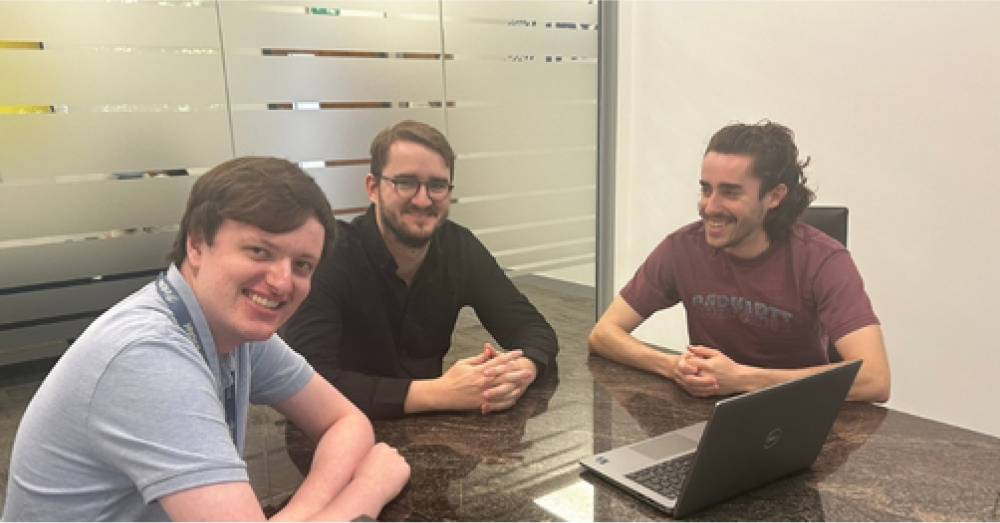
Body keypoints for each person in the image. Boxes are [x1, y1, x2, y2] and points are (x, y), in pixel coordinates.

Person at [2, 157, 409, 522]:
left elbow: (345, 421)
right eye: (259, 251)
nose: (283, 281)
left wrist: (302, 510)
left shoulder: (237, 329)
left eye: (302, 264)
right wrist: (367, 490)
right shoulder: (147, 356)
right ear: (196, 244)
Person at [588, 121, 890, 403]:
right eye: (706, 189)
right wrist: (673, 366)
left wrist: (743, 380)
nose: (710, 206)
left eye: (730, 193)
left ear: (774, 196)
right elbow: (604, 334)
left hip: (797, 413)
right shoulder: (681, 249)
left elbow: (874, 380)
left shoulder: (823, 260)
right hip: (709, 410)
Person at [282, 120, 559, 420]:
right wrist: (441, 393)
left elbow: (532, 329)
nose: (423, 199)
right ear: (373, 188)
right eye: (406, 182)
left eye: (437, 185)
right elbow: (307, 383)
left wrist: (518, 371)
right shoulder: (330, 255)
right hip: (334, 435)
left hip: (434, 431)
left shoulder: (459, 247)